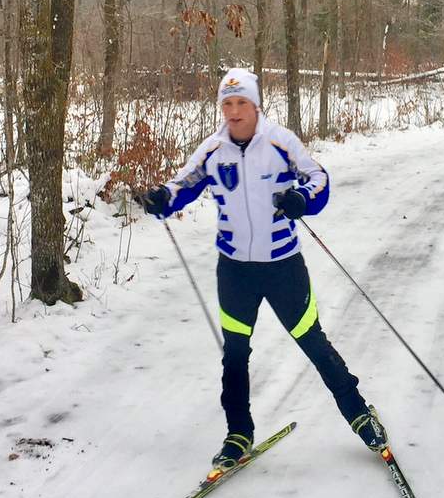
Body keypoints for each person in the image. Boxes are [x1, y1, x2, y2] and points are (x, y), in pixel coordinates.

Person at [136, 68, 386, 471]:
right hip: (234, 271)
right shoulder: (212, 150)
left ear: (255, 106)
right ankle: (238, 433)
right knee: (234, 354)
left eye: (241, 103)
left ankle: (359, 414)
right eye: (227, 104)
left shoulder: (280, 142)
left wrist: (301, 199)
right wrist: (161, 198)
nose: (233, 112)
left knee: (313, 343)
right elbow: (182, 186)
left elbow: (318, 178)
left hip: (283, 267)